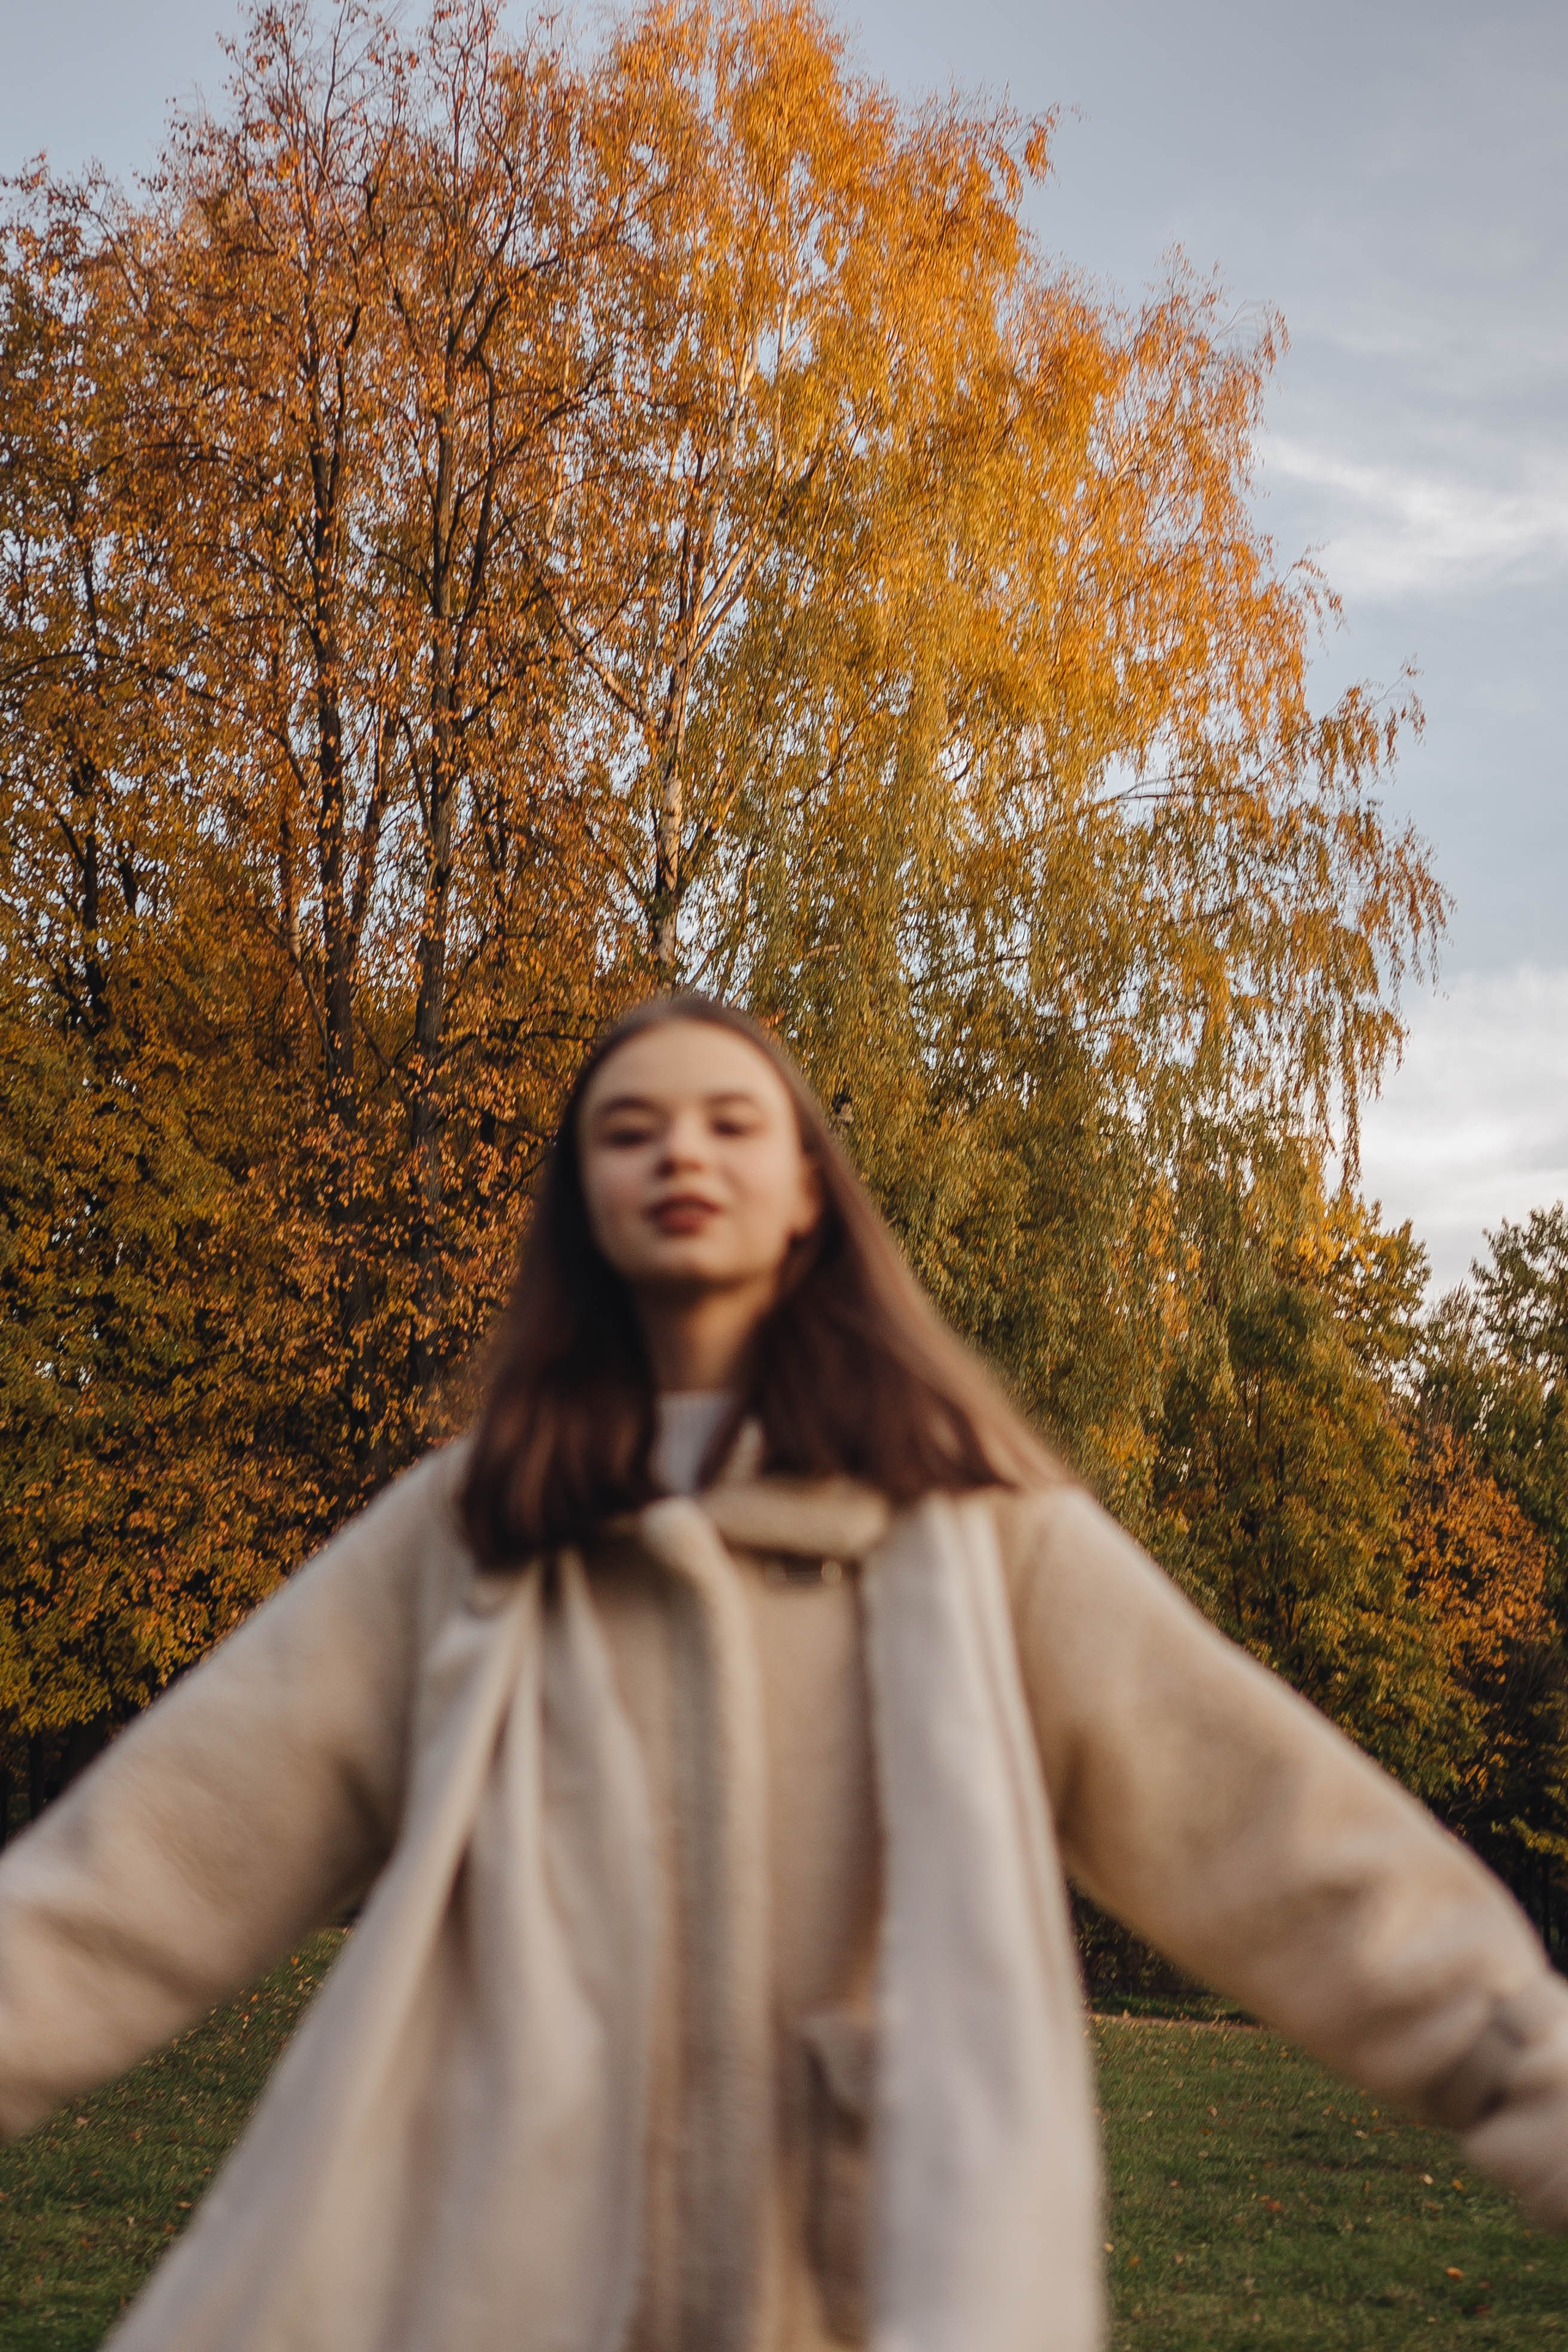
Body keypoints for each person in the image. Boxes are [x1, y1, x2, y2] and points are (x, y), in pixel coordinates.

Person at [0, 993, 1565, 2352]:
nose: (679, 1154)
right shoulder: (467, 1538)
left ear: (806, 1190)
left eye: (729, 1124)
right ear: (580, 1202)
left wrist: (1523, 2076)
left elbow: (1279, 1837)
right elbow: (145, 1871)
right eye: (627, 1132)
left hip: (874, 2283)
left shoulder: (976, 1535)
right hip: (500, 2282)